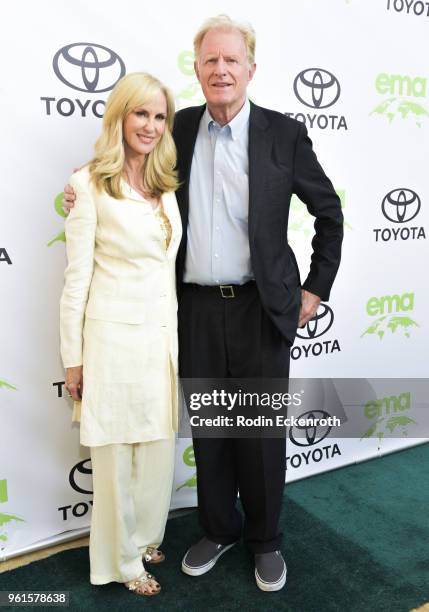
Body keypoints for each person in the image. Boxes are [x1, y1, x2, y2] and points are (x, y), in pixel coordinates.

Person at [64, 15, 343, 593]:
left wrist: (315, 289)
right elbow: (124, 173)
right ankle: (218, 528)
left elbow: (329, 214)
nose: (220, 70)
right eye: (210, 60)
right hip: (191, 309)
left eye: (231, 60)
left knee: (260, 434)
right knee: (213, 434)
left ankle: (265, 540)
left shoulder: (283, 135)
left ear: (250, 70)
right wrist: (73, 186)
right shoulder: (178, 129)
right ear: (197, 69)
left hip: (261, 308)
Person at [60, 72, 182, 596]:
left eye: (159, 116)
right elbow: (76, 280)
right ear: (119, 117)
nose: (150, 126)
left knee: (156, 450)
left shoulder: (165, 185)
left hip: (161, 341)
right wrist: (72, 358)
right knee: (114, 458)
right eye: (140, 114)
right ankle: (121, 562)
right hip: (110, 344)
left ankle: (144, 536)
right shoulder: (88, 185)